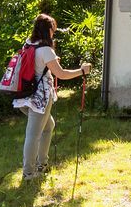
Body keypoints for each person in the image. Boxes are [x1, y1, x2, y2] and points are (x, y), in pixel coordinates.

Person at [13, 13, 92, 181]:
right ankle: (28, 174)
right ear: (47, 30)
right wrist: (82, 71)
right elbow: (61, 74)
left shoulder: (29, 44)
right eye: (53, 30)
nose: (53, 33)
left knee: (49, 126)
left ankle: (42, 164)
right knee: (33, 134)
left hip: (23, 96)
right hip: (39, 99)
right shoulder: (45, 50)